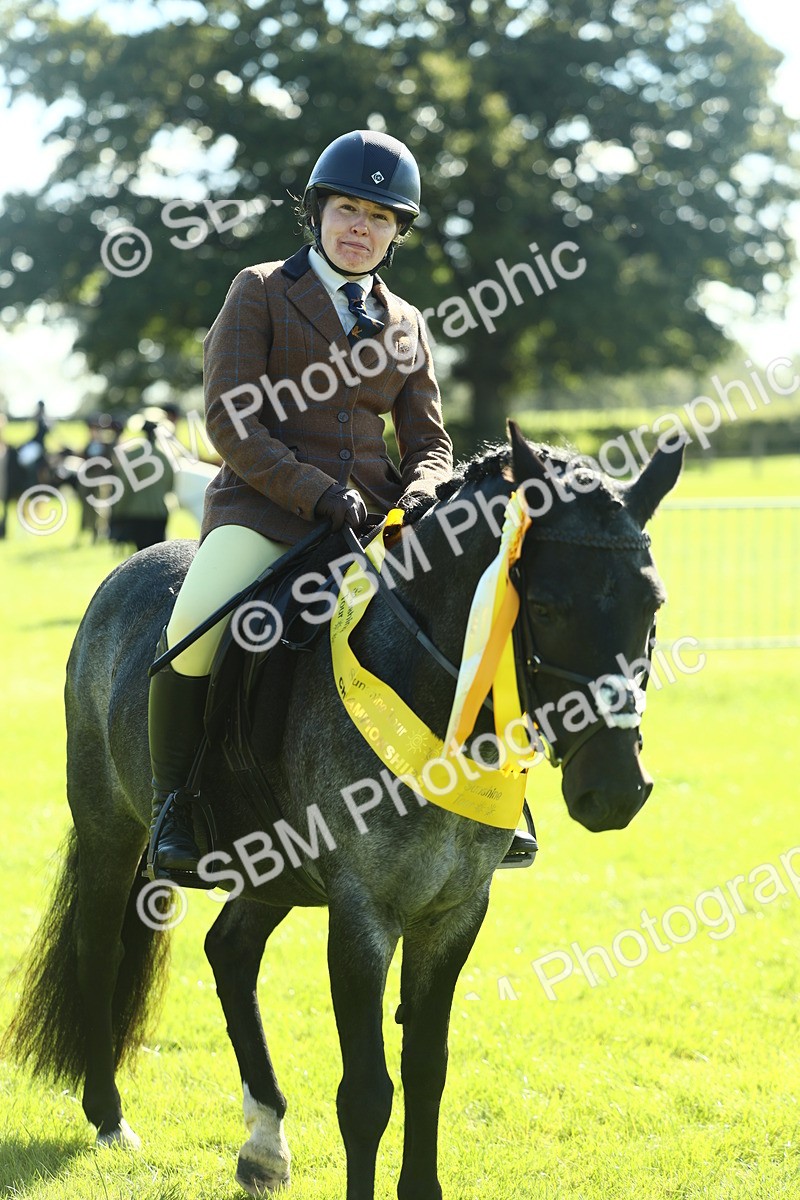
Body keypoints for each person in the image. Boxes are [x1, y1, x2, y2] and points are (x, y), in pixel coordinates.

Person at [148, 129, 453, 877]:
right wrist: (316, 493)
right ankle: (173, 807)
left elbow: (430, 442)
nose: (361, 228)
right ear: (317, 213)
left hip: (374, 524)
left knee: (468, 615)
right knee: (192, 627)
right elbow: (231, 421)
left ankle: (485, 802)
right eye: (348, 209)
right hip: (267, 511)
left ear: (397, 232)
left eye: (381, 218)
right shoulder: (259, 290)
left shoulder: (408, 321)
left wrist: (420, 495)